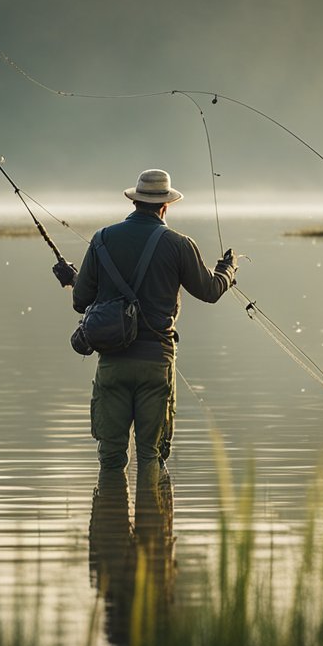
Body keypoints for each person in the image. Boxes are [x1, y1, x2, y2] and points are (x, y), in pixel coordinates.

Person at [71, 169, 237, 469]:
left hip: (113, 364)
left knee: (110, 460)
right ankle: (153, 512)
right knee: (151, 458)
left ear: (135, 202)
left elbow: (81, 301)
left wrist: (76, 279)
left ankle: (111, 509)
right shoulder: (179, 244)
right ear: (166, 205)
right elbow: (210, 291)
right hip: (156, 364)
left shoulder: (102, 239)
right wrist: (228, 270)